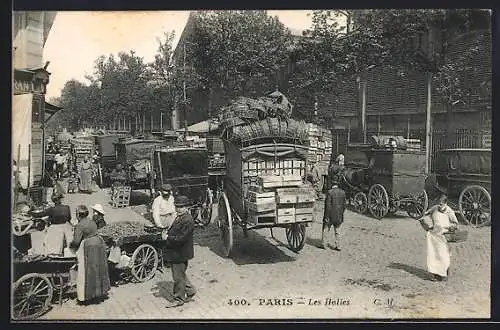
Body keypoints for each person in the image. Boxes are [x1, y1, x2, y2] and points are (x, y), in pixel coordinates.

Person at [69, 205, 111, 304]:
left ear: (79, 215)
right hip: (99, 243)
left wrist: (70, 246)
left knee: (87, 270)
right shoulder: (91, 221)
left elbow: (76, 241)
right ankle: (99, 292)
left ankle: (86, 295)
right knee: (97, 268)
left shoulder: (80, 225)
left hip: (89, 246)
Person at [163, 195, 196, 308]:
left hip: (180, 252)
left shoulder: (188, 220)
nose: (178, 209)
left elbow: (181, 239)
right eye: (176, 206)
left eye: (181, 207)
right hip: (178, 252)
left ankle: (178, 298)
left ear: (187, 207)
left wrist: (167, 237)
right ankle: (190, 290)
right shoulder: (180, 217)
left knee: (177, 277)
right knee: (180, 274)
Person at [422, 194, 459, 281]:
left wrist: (452, 227)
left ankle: (444, 273)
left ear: (446, 204)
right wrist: (427, 223)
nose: (440, 206)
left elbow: (455, 223)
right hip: (434, 236)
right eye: (439, 204)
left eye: (442, 204)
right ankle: (435, 275)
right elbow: (426, 215)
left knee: (443, 256)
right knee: (433, 255)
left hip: (444, 236)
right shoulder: (434, 208)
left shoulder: (449, 212)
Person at [322, 178, 346, 251]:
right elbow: (344, 206)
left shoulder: (330, 192)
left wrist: (326, 216)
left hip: (330, 216)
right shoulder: (342, 192)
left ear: (331, 184)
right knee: (337, 231)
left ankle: (324, 244)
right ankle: (338, 246)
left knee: (326, 229)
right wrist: (341, 213)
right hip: (339, 215)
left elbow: (328, 206)